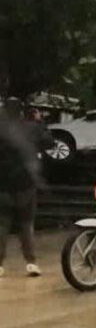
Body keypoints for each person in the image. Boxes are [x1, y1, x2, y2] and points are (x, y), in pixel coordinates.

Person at [0, 100, 45, 277]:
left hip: (2, 185)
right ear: (21, 112)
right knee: (26, 225)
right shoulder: (31, 128)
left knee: (2, 225)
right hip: (26, 185)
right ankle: (31, 263)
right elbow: (48, 141)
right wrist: (39, 120)